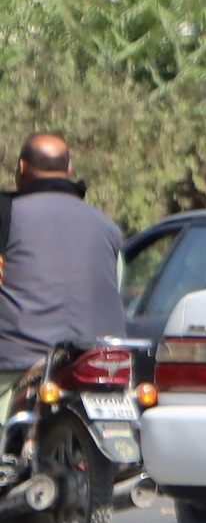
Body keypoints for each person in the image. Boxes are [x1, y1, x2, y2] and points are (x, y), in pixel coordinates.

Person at [0, 134, 126, 377]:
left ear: (22, 168)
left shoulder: (8, 214)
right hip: (101, 363)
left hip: (19, 364)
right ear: (69, 168)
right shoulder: (107, 227)